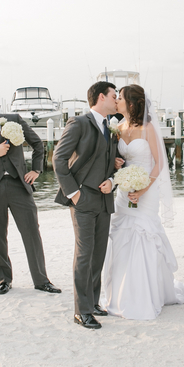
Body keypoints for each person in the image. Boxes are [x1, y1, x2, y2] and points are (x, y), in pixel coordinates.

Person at [101, 84, 184, 320]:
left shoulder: (148, 128)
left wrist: (144, 188)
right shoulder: (118, 128)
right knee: (120, 237)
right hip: (124, 190)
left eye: (119, 98)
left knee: (143, 235)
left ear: (131, 103)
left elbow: (160, 163)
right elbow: (119, 159)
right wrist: (118, 165)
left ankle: (144, 294)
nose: (116, 101)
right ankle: (119, 293)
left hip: (147, 191)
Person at [0, 85, 60, 296]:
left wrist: (36, 169)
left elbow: (37, 144)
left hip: (19, 185)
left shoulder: (14, 119)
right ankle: (4, 280)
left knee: (32, 233)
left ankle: (41, 280)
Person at [53, 81, 119, 330]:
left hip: (104, 198)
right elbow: (58, 158)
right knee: (84, 254)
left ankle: (92, 302)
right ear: (101, 97)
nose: (117, 100)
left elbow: (107, 161)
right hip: (82, 199)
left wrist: (113, 176)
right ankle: (81, 311)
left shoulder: (109, 128)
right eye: (114, 96)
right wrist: (74, 193)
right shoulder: (79, 123)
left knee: (98, 254)